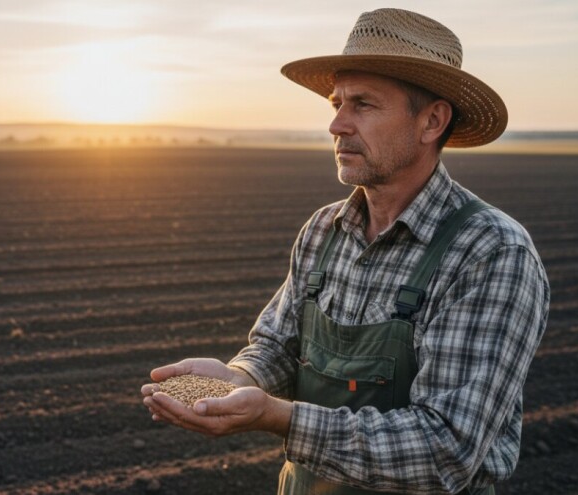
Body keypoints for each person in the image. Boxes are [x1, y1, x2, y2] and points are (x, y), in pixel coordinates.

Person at [141, 8, 550, 495]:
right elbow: (278, 347)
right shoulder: (323, 230)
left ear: (431, 121)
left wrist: (278, 417)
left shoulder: (490, 252)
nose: (336, 125)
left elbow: (446, 447)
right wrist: (237, 376)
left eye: (363, 105)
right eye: (337, 104)